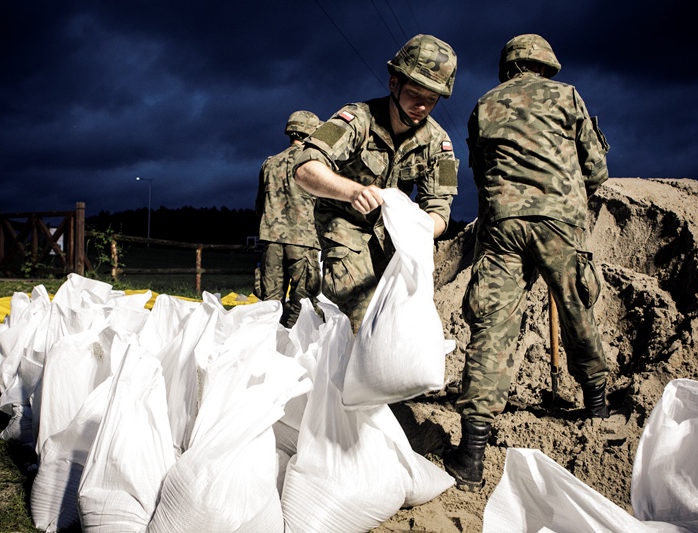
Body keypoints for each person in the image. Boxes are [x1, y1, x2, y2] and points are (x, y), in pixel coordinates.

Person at [443, 33, 612, 492]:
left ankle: (472, 455)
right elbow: (596, 169)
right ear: (545, 65)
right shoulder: (568, 97)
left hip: (502, 223)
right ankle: (596, 407)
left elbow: (479, 170)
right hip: (560, 221)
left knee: (492, 326)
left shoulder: (483, 105)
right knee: (577, 308)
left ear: (509, 65)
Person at [293, 34, 459, 333]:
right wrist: (353, 191)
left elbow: (439, 211)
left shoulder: (439, 143)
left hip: (395, 242)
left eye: (431, 100)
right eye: (415, 95)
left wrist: (417, 227)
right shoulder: (357, 119)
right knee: (355, 318)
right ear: (394, 83)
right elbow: (306, 167)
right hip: (345, 228)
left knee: (399, 325)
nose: (421, 107)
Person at [255, 110, 323, 327]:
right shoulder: (313, 163)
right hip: (303, 242)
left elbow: (260, 205)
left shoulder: (269, 163)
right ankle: (291, 346)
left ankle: (267, 345)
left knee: (269, 303)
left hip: (271, 240)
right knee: (303, 303)